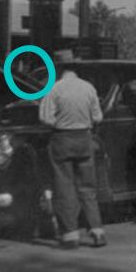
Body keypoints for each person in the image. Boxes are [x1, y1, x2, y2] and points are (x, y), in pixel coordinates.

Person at [38, 59, 106, 249]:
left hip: (62, 140)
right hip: (85, 139)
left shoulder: (55, 89)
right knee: (88, 188)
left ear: (60, 70)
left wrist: (60, 121)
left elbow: (45, 117)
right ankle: (97, 231)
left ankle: (70, 235)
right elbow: (98, 116)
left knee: (64, 186)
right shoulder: (88, 88)